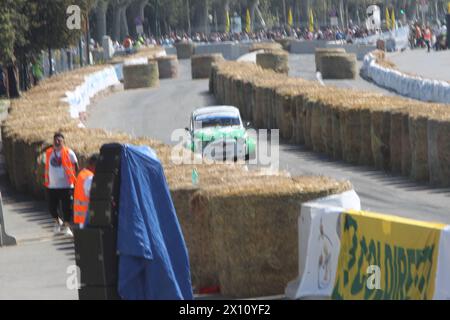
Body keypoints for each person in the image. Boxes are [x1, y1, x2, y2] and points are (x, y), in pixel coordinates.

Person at [43, 132, 78, 237]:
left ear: (63, 142)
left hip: (66, 185)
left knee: (67, 208)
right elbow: (46, 167)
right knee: (51, 207)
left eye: (59, 140)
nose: (57, 142)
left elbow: (76, 165)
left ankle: (67, 227)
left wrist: (74, 179)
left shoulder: (69, 152)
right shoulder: (48, 153)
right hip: (52, 185)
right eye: (55, 140)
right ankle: (57, 221)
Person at [73, 154, 98, 229]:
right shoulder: (90, 178)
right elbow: (95, 196)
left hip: (82, 216)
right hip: (88, 217)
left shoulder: (82, 174)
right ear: (94, 165)